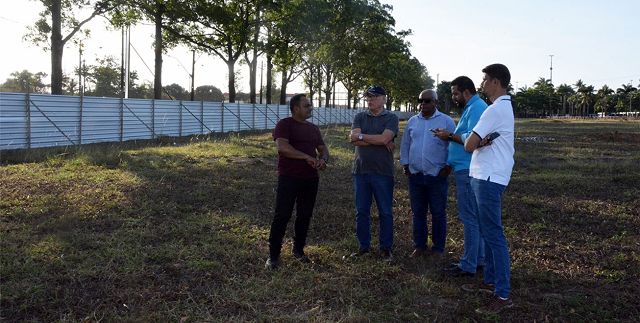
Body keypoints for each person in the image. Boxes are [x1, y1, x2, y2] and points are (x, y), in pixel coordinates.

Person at [461, 64, 515, 314]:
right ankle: (491, 280)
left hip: (489, 177)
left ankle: (503, 294)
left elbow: (469, 145)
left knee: (493, 234)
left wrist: (473, 139)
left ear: (495, 82)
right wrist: (478, 140)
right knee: (488, 230)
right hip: (489, 175)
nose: (481, 84)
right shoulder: (504, 108)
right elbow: (480, 141)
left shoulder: (495, 110)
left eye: (484, 80)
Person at [265, 93, 330, 270]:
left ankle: (298, 251)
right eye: (307, 105)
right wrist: (307, 157)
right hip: (289, 178)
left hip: (310, 179)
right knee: (282, 215)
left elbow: (323, 148)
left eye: (310, 105)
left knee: (304, 215)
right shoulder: (284, 125)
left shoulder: (314, 128)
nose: (311, 108)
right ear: (296, 109)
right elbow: (283, 148)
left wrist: (323, 160)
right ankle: (273, 256)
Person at [433, 76, 489, 277]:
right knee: (473, 217)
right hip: (465, 168)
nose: (454, 98)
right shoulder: (472, 108)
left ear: (466, 92)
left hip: (467, 169)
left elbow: (471, 139)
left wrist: (448, 135)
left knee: (469, 218)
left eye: (456, 93)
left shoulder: (476, 108)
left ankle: (468, 264)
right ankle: (478, 259)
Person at [400, 90, 455, 261]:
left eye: (427, 101)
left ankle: (438, 249)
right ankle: (420, 246)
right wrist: (406, 165)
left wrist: (447, 168)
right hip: (416, 176)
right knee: (418, 213)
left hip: (436, 177)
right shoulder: (412, 121)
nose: (422, 104)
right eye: (420, 100)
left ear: (436, 103)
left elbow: (453, 146)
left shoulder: (446, 121)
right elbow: (405, 144)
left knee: (438, 213)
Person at [348, 85, 399, 262]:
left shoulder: (391, 117)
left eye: (374, 97)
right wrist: (378, 140)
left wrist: (365, 137)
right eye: (368, 97)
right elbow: (353, 140)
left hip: (382, 172)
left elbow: (385, 138)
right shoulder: (360, 116)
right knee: (362, 211)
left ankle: (386, 248)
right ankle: (364, 247)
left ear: (384, 99)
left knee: (385, 211)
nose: (370, 100)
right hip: (360, 171)